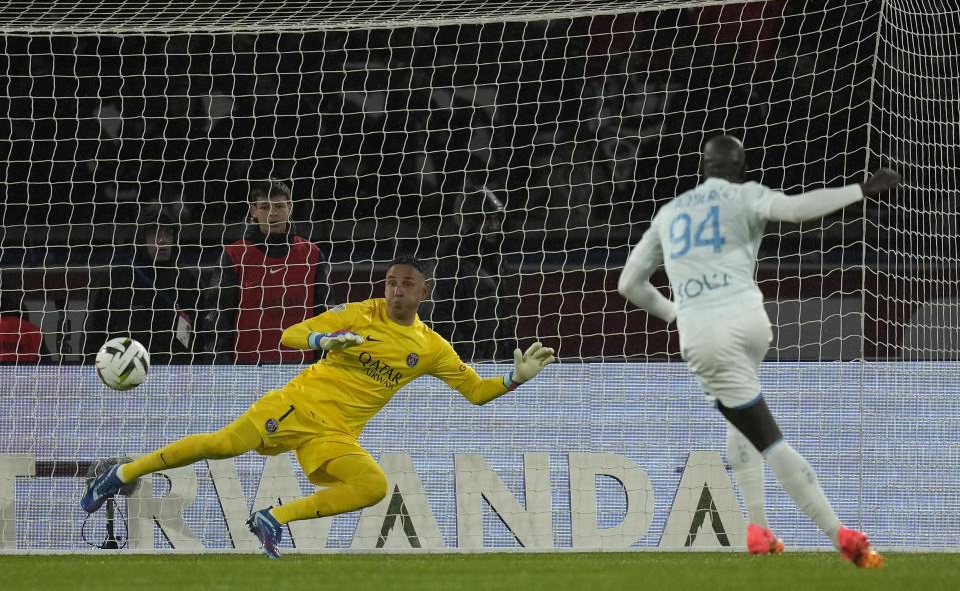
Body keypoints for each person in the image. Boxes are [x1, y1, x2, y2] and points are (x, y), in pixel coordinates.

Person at [81, 255, 556, 558]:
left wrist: (515, 378)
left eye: (406, 285)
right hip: (296, 408)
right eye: (390, 282)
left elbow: (475, 392)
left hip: (336, 435)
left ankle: (274, 517)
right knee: (223, 445)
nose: (395, 291)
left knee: (372, 487)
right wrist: (322, 338)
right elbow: (288, 335)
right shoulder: (359, 314)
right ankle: (123, 473)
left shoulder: (431, 348)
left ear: (423, 292)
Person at [617, 134, 899, 568]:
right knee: (738, 411)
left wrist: (677, 314)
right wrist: (860, 190)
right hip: (752, 321)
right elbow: (795, 209)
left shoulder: (669, 214)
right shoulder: (747, 195)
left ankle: (839, 534)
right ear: (741, 168)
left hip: (705, 332)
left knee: (767, 438)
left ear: (703, 168)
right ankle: (758, 528)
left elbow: (628, 284)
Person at [202, 178, 331, 364]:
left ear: (290, 207)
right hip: (246, 371)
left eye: (279, 206)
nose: (273, 213)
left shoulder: (312, 254)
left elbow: (325, 314)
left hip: (302, 371)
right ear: (253, 210)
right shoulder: (234, 255)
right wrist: (220, 369)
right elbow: (217, 319)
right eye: (264, 207)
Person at [85, 213, 201, 364]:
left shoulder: (188, 281)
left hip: (177, 375)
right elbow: (94, 333)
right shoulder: (117, 279)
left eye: (168, 233)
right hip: (125, 374)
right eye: (154, 233)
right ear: (141, 238)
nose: (162, 240)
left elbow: (201, 337)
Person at [431, 185, 518, 361]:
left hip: (498, 360)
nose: (495, 226)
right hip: (468, 365)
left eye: (496, 220)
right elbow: (441, 320)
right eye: (488, 220)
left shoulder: (496, 261)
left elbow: (503, 316)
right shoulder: (451, 263)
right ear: (470, 223)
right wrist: (470, 356)